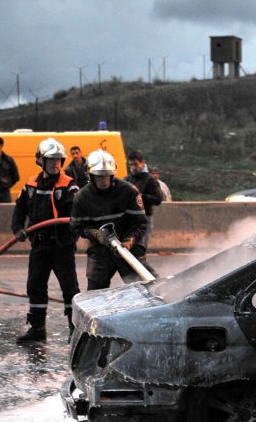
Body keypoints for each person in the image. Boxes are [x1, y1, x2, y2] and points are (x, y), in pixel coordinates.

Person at [11, 137, 81, 343]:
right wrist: (18, 229)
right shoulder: (31, 183)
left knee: (70, 289)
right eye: (51, 159)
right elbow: (20, 208)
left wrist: (69, 238)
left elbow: (76, 215)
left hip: (62, 246)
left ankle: (75, 329)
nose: (56, 163)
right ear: (40, 160)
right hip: (40, 244)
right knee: (35, 285)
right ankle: (37, 329)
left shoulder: (68, 184)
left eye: (59, 159)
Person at [70, 148, 151, 290]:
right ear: (89, 174)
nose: (104, 181)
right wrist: (95, 234)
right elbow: (77, 226)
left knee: (143, 289)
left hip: (128, 250)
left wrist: (129, 241)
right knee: (95, 293)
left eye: (107, 175)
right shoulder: (82, 197)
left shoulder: (129, 191)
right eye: (99, 176)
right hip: (100, 250)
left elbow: (140, 223)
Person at [124, 150, 163, 251]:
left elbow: (158, 199)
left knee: (141, 250)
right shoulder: (127, 179)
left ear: (142, 163)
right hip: (129, 219)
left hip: (144, 219)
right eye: (130, 165)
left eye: (136, 164)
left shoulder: (150, 180)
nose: (133, 167)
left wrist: (142, 197)